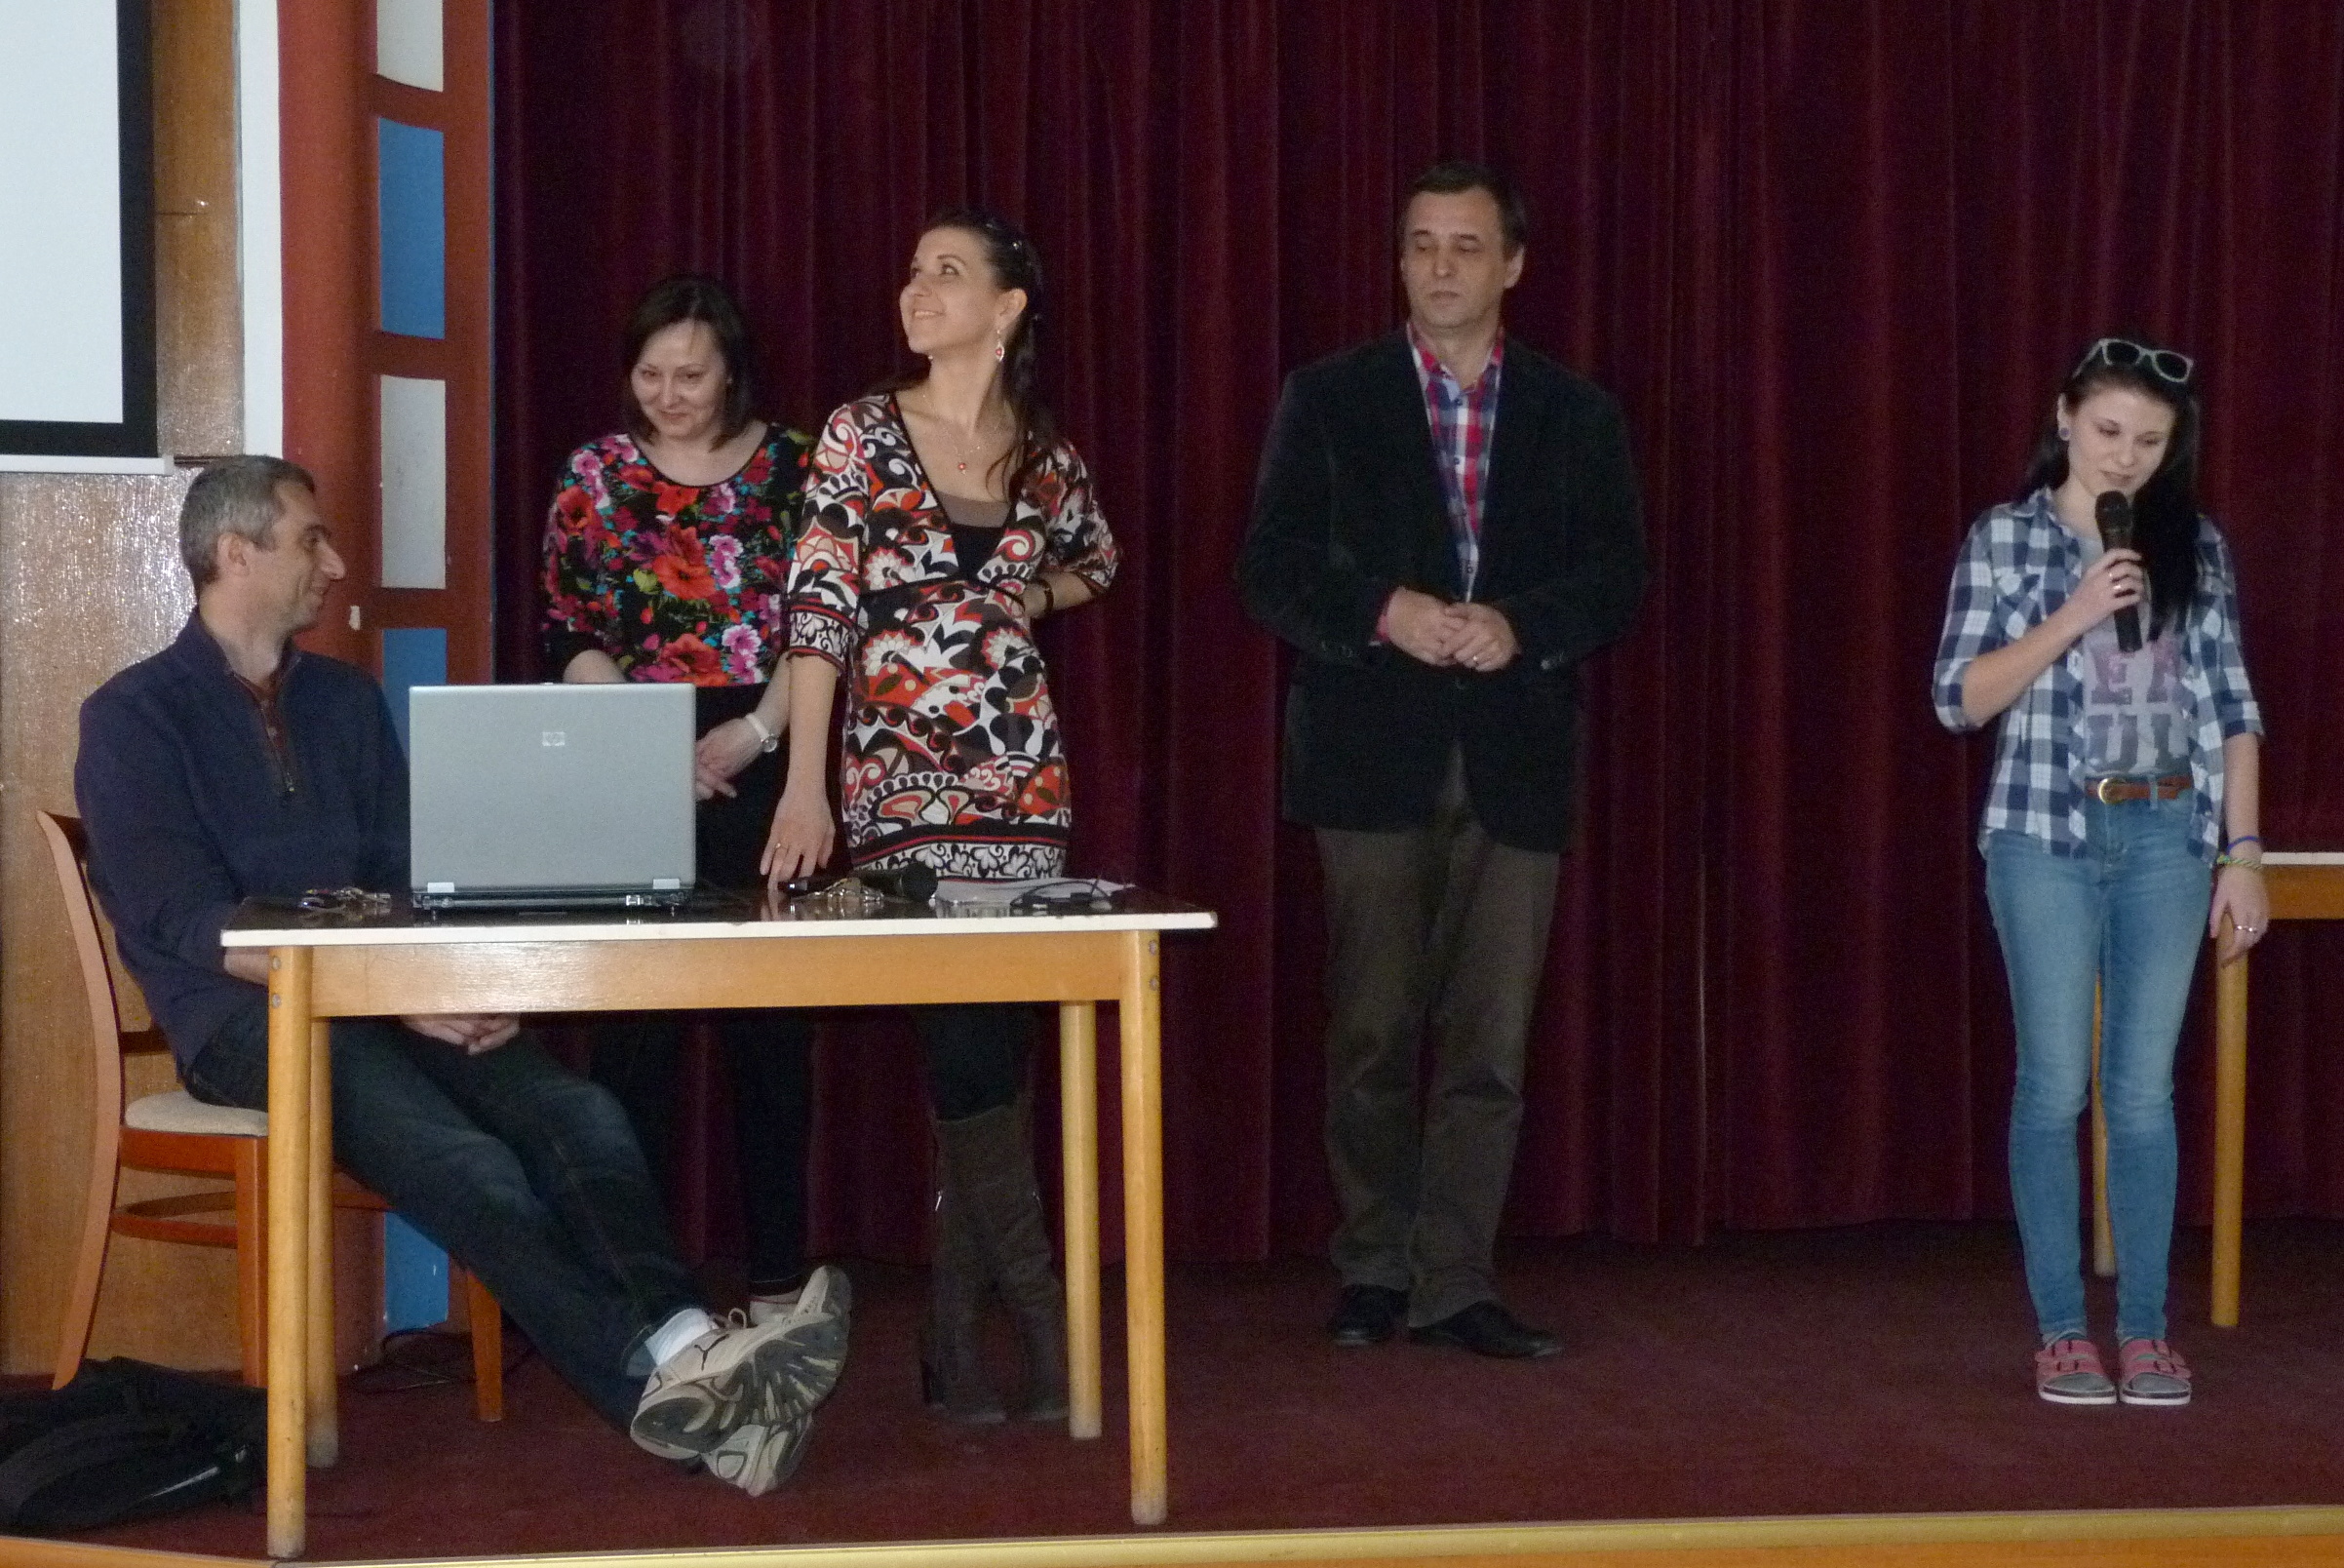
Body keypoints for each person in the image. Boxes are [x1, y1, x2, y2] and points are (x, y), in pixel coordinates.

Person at [77, 455, 848, 1495]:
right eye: (312, 540)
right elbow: (184, 921)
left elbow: (408, 876)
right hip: (246, 1017)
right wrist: (393, 993)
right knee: (468, 1164)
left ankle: (687, 1352)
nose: (335, 565)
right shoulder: (133, 717)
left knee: (580, 1114)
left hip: (390, 996)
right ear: (234, 553)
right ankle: (667, 1387)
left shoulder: (345, 703)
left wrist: (445, 983)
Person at [1237, 161, 1646, 1359]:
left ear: (1512, 265)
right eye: (1421, 244)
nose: (1441, 267)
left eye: (1466, 246)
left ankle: (1456, 1280)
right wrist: (1383, 610)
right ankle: (1371, 1266)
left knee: (1489, 1045)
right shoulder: (1329, 396)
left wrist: (1522, 624)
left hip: (1515, 758)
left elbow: (1619, 576)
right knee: (1370, 1031)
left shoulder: (1578, 413)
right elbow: (1268, 566)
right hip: (1369, 755)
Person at [763, 209, 1118, 1424]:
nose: (917, 288)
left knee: (993, 1061)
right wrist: (805, 784)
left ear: (1007, 307)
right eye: (912, 269)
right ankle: (1044, 1319)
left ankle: (954, 1337)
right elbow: (818, 611)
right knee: (966, 1048)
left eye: (948, 272)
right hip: (898, 787)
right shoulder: (861, 432)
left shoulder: (1043, 451)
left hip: (1025, 788)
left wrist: (1035, 596)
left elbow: (1100, 559)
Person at [1932, 335, 2265, 1407]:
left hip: (2168, 835)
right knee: (2053, 1085)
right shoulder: (2006, 537)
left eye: (2149, 442)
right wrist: (2071, 615)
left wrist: (2243, 854)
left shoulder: (2193, 546)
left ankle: (2148, 1330)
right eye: (2109, 430)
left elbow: (2233, 710)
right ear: (2065, 417)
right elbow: (1958, 698)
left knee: (2143, 1094)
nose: (2125, 457)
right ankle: (2063, 1331)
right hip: (2044, 836)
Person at [541, 274, 819, 1322]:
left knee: (771, 1034)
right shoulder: (595, 474)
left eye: (690, 375)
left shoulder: (797, 467)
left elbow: (827, 625)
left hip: (769, 749)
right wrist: (648, 741)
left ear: (733, 374)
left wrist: (757, 733)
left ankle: (778, 1277)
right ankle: (643, 1290)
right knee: (635, 1038)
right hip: (628, 749)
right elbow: (567, 628)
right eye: (649, 374)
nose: (667, 394)